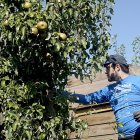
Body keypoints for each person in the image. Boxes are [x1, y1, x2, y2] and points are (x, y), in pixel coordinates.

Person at [66, 54, 140, 140]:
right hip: (123, 137)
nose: (105, 71)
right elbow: (87, 99)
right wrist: (65, 95)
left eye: (108, 68)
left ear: (117, 67)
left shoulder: (137, 81)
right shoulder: (110, 90)